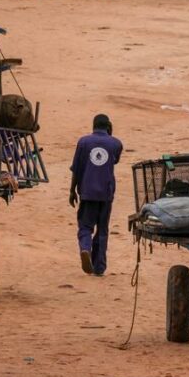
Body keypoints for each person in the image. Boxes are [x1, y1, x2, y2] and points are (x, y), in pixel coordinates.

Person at [69, 114, 122, 276]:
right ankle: (99, 267)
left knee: (85, 226)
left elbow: (76, 169)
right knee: (103, 230)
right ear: (108, 126)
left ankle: (85, 248)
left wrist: (72, 190)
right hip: (106, 193)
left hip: (87, 191)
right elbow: (114, 161)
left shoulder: (83, 142)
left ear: (93, 126)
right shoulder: (116, 143)